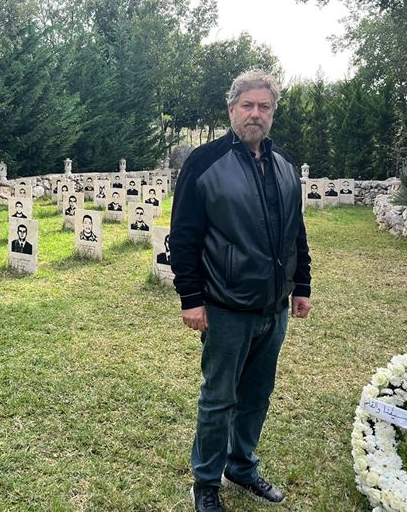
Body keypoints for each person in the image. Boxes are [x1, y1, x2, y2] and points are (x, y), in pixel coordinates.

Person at [169, 69, 312, 512]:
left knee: (256, 396)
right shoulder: (204, 163)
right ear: (231, 109)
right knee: (219, 399)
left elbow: (296, 232)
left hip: (273, 308)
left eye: (264, 106)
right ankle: (206, 480)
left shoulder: (284, 165)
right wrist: (191, 299)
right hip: (225, 306)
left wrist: (301, 286)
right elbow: (184, 237)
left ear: (273, 113)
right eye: (247, 105)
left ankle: (242, 465)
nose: (255, 114)